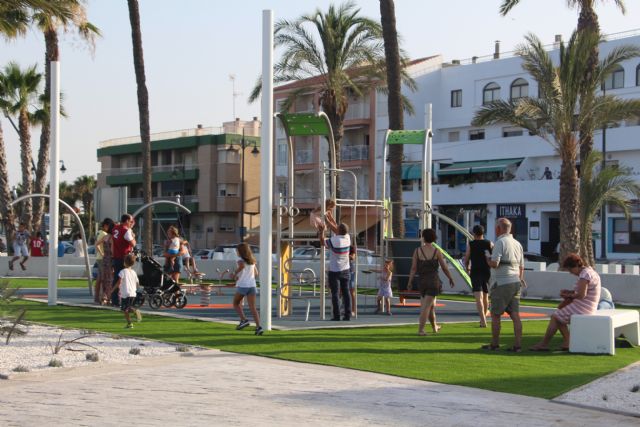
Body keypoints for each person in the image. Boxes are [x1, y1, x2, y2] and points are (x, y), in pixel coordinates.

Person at [530, 253, 601, 351]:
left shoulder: (585, 275)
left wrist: (569, 295)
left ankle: (547, 344)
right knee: (557, 317)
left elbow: (581, 295)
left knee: (556, 317)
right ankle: (566, 341)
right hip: (587, 306)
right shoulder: (589, 272)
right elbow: (583, 292)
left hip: (584, 307)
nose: (570, 272)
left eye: (570, 269)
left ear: (576, 266)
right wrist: (570, 292)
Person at [483, 218, 524, 352]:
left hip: (501, 282)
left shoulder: (500, 242)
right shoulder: (518, 244)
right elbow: (521, 267)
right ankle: (517, 345)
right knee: (515, 315)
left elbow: (495, 264)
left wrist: (487, 259)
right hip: (516, 281)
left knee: (495, 314)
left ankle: (495, 344)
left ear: (498, 229)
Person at [408, 228, 455, 336]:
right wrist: (450, 278)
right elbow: (444, 267)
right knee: (426, 307)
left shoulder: (417, 251)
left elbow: (413, 268)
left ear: (423, 237)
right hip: (433, 281)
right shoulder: (436, 251)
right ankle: (421, 330)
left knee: (430, 306)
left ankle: (435, 327)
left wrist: (410, 281)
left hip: (422, 281)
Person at [319, 222, 352, 321]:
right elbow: (337, 230)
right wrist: (329, 220)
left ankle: (336, 315)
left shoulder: (335, 240)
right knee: (346, 293)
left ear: (339, 231)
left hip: (334, 270)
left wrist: (322, 231)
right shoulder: (347, 238)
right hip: (345, 269)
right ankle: (347, 315)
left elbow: (322, 242)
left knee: (335, 294)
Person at [463, 225, 493, 328]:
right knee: (485, 296)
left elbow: (466, 258)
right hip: (486, 271)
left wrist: (467, 268)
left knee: (478, 297)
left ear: (474, 234)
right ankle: (484, 318)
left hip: (475, 271)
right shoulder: (489, 243)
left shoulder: (471, 244)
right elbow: (493, 256)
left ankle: (483, 320)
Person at [232, 243, 263, 335]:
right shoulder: (252, 261)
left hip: (243, 285)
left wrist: (234, 274)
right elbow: (256, 273)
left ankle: (244, 320)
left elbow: (241, 267)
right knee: (253, 307)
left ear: (241, 251)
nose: (236, 252)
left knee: (235, 303)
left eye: (237, 250)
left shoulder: (240, 260)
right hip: (252, 286)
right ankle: (258, 327)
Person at [111, 214, 136, 306]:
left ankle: (115, 300)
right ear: (126, 221)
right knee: (125, 280)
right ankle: (125, 299)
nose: (131, 223)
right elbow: (133, 243)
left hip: (116, 256)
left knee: (116, 279)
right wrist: (133, 234)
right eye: (130, 221)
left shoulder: (115, 228)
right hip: (125, 258)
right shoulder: (126, 231)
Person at [116, 253, 142, 329]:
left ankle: (134, 313)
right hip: (133, 293)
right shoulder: (134, 272)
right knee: (126, 309)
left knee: (126, 309)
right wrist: (136, 289)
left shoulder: (122, 271)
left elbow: (119, 282)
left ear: (124, 262)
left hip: (126, 293)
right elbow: (137, 283)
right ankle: (129, 323)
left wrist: (113, 289)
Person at [96, 218, 114, 305]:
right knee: (110, 279)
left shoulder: (105, 237)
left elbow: (96, 244)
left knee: (104, 279)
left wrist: (103, 253)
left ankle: (103, 297)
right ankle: (108, 297)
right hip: (110, 259)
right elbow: (112, 250)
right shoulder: (111, 238)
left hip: (105, 259)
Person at [348, 245, 357, 317]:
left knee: (352, 291)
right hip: (342, 270)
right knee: (341, 291)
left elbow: (353, 257)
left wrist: (345, 255)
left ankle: (353, 310)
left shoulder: (351, 248)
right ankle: (344, 308)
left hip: (350, 271)